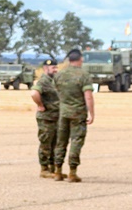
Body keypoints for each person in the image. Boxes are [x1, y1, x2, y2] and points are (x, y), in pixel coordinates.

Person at [53, 49, 95, 183]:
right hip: (78, 114)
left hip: (63, 112)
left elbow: (57, 91)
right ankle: (72, 172)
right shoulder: (84, 75)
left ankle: (58, 171)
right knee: (76, 141)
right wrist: (92, 113)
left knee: (61, 142)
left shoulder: (59, 74)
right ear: (80, 59)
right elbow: (88, 96)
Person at [30, 58, 60, 178]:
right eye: (53, 68)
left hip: (56, 117)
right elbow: (34, 93)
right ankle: (44, 169)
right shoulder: (43, 81)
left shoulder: (54, 81)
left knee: (55, 143)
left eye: (56, 67)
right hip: (46, 118)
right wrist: (40, 105)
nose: (56, 70)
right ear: (46, 69)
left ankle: (53, 168)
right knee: (46, 143)